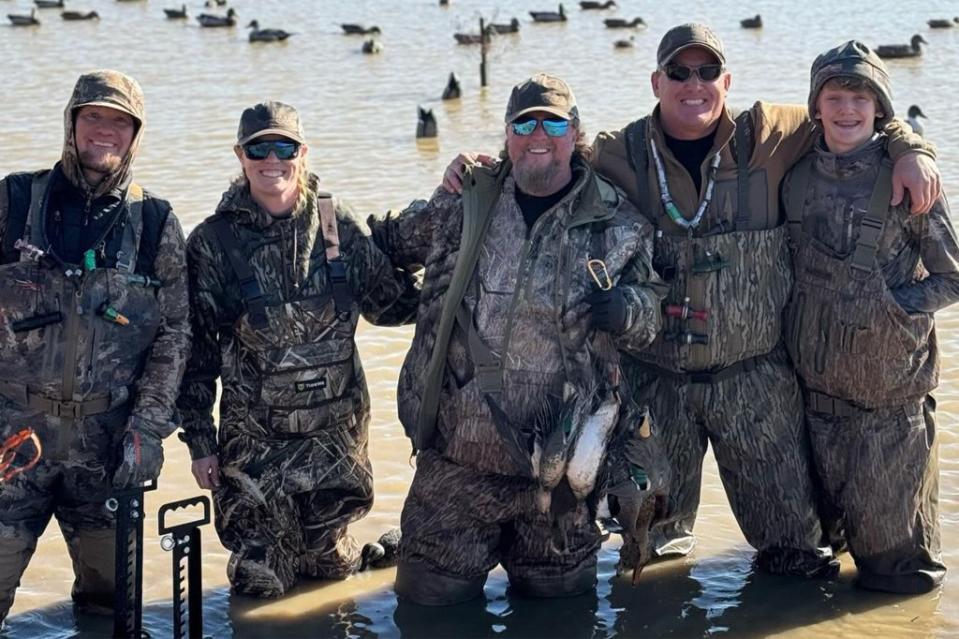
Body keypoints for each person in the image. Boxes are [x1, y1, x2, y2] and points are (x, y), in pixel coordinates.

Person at [441, 24, 939, 576]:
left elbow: (855, 115)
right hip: (657, 388)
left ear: (726, 80)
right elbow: (542, 147)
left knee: (797, 554)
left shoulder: (771, 132)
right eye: (679, 72)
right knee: (648, 552)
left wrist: (910, 147)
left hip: (756, 384)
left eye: (707, 72)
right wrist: (472, 169)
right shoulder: (615, 151)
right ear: (657, 81)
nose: (693, 84)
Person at [367, 73, 666, 605]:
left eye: (553, 122)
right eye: (524, 122)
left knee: (559, 620)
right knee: (427, 614)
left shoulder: (618, 223)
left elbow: (652, 322)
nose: (538, 134)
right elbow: (384, 245)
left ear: (575, 133)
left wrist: (627, 309)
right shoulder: (465, 201)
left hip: (564, 479)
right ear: (507, 133)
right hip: (456, 464)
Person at [177, 101, 419, 598]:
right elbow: (196, 356)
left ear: (302, 152)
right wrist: (201, 443)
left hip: (336, 448)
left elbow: (389, 306)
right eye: (258, 148)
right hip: (256, 452)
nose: (272, 159)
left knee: (330, 579)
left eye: (283, 146)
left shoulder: (336, 225)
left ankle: (377, 556)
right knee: (259, 583)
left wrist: (455, 281)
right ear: (240, 155)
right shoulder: (212, 243)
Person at [0, 70, 190, 621]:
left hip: (109, 452)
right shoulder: (13, 199)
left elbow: (175, 335)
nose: (104, 131)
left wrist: (147, 430)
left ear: (135, 134)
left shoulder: (154, 221)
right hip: (13, 443)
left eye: (119, 122)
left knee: (113, 614)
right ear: (72, 124)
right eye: (93, 117)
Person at [782, 40, 958, 593]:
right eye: (835, 96)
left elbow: (952, 277)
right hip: (813, 408)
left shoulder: (910, 180)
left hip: (889, 412)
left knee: (898, 577)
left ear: (880, 106)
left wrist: (895, 308)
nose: (847, 109)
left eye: (861, 97)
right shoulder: (795, 171)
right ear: (817, 105)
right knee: (811, 569)